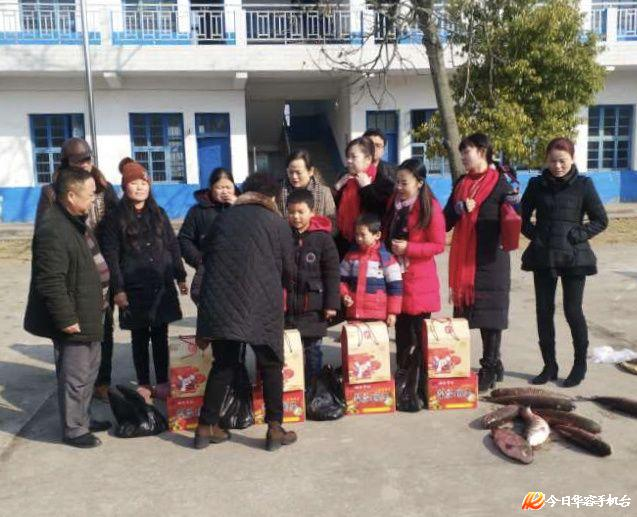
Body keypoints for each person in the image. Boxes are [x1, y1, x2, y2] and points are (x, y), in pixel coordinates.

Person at [195, 173, 297, 451]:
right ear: (272, 197)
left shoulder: (223, 218)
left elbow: (206, 257)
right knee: (271, 365)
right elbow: (289, 270)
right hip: (262, 304)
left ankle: (205, 427)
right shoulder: (277, 222)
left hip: (222, 303)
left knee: (224, 363)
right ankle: (274, 429)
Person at [24, 166, 111, 448]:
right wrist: (65, 318)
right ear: (71, 195)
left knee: (90, 371)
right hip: (74, 317)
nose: (94, 198)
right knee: (75, 376)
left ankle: (83, 418)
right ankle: (74, 429)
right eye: (90, 194)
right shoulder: (53, 228)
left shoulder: (75, 221)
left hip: (90, 311)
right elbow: (50, 280)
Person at [34, 138, 118, 402]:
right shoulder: (53, 192)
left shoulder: (104, 187)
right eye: (78, 161)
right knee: (70, 337)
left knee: (104, 329)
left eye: (87, 159)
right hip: (73, 271)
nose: (84, 164)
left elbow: (117, 224)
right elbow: (45, 235)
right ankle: (72, 390)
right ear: (66, 163)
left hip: (101, 265)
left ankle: (101, 382)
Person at [521, 137, 608, 387]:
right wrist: (537, 236)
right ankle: (549, 365)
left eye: (562, 161)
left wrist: (578, 235)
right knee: (543, 311)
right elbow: (521, 217)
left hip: (574, 257)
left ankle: (579, 365)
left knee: (573, 311)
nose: (557, 166)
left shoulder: (583, 185)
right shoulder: (536, 184)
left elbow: (600, 220)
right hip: (544, 256)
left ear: (572, 159)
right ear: (546, 160)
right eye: (552, 161)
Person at [100, 158, 188, 399]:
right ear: (124, 187)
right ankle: (143, 382)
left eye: (144, 183)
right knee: (139, 336)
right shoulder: (114, 218)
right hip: (133, 287)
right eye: (134, 183)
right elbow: (111, 256)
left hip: (160, 285)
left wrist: (180, 276)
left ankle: (162, 381)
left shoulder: (159, 214)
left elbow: (172, 246)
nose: (139, 187)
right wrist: (118, 289)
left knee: (160, 335)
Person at [444, 133, 518, 392]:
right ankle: (482, 362)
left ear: (483, 151)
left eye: (467, 151)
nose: (463, 157)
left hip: (491, 258)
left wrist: (513, 204)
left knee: (491, 316)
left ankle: (489, 364)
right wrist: (458, 208)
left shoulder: (501, 182)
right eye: (462, 152)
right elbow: (445, 220)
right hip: (464, 261)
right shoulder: (461, 182)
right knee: (465, 316)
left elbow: (514, 216)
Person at [383, 159, 445, 381]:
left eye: (404, 183)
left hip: (419, 281)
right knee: (401, 333)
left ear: (419, 182)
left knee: (419, 336)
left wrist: (409, 248)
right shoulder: (394, 203)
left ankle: (418, 382)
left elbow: (438, 245)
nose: (399, 187)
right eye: (397, 182)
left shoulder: (430, 207)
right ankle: (402, 376)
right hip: (396, 277)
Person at [286, 189, 340, 385]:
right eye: (291, 212)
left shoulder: (323, 238)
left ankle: (313, 387)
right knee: (289, 351)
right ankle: (294, 390)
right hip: (288, 307)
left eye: (301, 212)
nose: (296, 217)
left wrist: (331, 304)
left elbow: (332, 273)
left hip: (314, 307)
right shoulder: (283, 235)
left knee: (313, 351)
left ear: (312, 212)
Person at [178, 167, 239, 303]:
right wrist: (198, 259)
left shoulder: (244, 208)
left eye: (228, 187)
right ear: (211, 188)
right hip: (208, 271)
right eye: (219, 187)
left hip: (238, 271)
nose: (225, 191)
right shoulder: (198, 211)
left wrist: (239, 206)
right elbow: (184, 239)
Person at [334, 137, 394, 256]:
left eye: (353, 157)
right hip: (345, 243)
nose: (349, 161)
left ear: (368, 159)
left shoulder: (383, 183)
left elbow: (381, 213)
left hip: (372, 248)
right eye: (347, 157)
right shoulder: (345, 180)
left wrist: (367, 188)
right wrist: (336, 188)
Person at [339, 213, 403, 327]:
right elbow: (340, 280)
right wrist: (344, 294)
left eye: (363, 235)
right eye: (357, 234)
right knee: (355, 339)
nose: (359, 238)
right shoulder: (350, 257)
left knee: (376, 339)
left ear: (377, 235)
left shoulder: (386, 259)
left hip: (377, 316)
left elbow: (395, 287)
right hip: (354, 313)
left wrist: (392, 312)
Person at [277, 150, 336, 222]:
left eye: (299, 172)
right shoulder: (279, 192)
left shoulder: (324, 193)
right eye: (291, 172)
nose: (294, 177)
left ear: (310, 171)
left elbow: (332, 221)